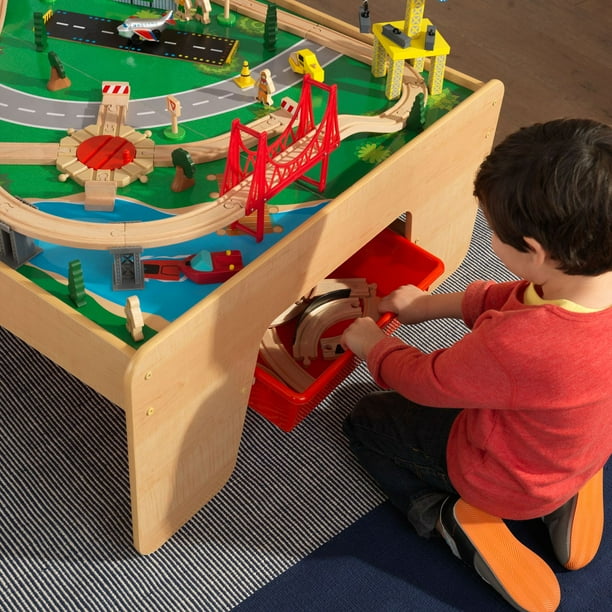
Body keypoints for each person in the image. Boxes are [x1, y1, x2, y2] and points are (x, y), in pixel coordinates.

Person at [340, 118, 611, 612]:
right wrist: (427, 307)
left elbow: (428, 381)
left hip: (502, 478)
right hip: (582, 447)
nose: (490, 238)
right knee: (562, 425)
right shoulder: (583, 283)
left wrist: (372, 347)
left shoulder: (522, 343)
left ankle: (451, 517)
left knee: (367, 419)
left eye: (493, 231)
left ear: (533, 251)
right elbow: (520, 293)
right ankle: (571, 487)